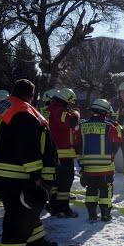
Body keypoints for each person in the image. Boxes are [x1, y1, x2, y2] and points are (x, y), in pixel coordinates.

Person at [0, 79, 58, 246]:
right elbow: (28, 149)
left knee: (29, 208)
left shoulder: (2, 105)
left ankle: (35, 243)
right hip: (12, 173)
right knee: (18, 214)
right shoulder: (24, 114)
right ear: (31, 95)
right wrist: (36, 177)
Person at [74, 98, 123, 222]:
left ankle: (92, 215)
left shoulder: (82, 126)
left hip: (88, 169)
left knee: (91, 191)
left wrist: (82, 163)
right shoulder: (109, 127)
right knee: (105, 193)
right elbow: (119, 139)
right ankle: (105, 215)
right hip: (105, 168)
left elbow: (77, 145)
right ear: (105, 112)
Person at [47, 88, 80, 218]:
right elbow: (72, 121)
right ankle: (63, 208)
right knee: (66, 181)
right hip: (62, 153)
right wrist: (76, 112)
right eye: (71, 103)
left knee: (57, 182)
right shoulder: (59, 110)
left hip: (56, 152)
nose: (71, 106)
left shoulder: (53, 109)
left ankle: (55, 207)